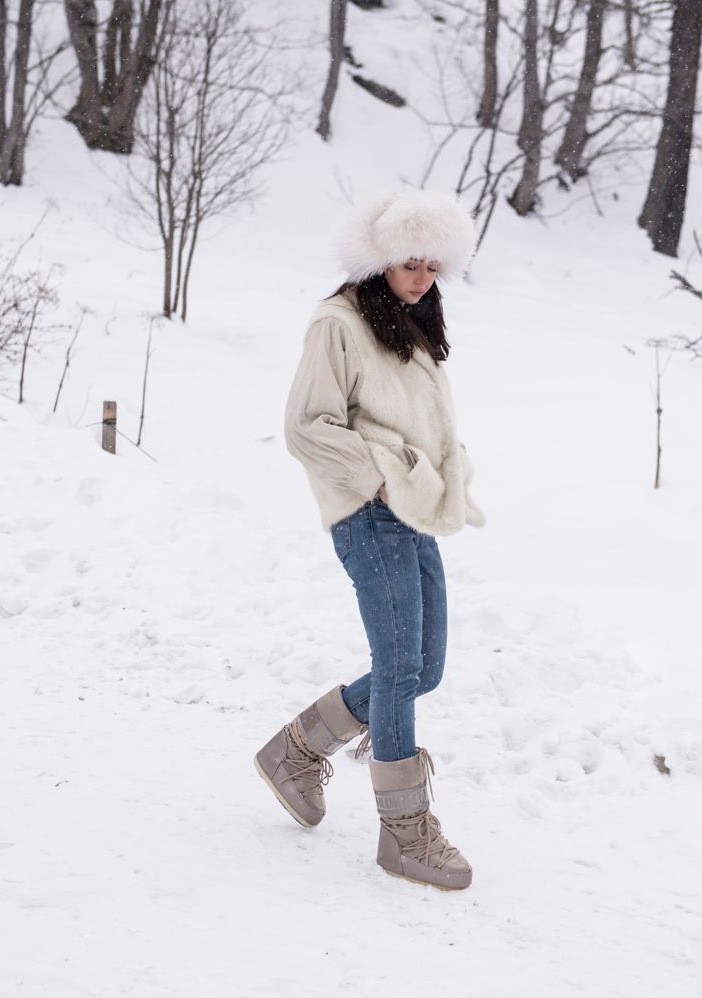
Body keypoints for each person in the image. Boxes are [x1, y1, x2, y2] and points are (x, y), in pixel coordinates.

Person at [255, 190, 485, 891]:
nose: (421, 277)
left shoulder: (410, 327)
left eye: (431, 265)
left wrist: (434, 481)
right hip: (369, 511)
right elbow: (306, 426)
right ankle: (404, 833)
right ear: (379, 260)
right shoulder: (338, 323)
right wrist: (380, 479)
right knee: (396, 669)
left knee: (424, 668)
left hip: (412, 513)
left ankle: (297, 751)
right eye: (409, 264)